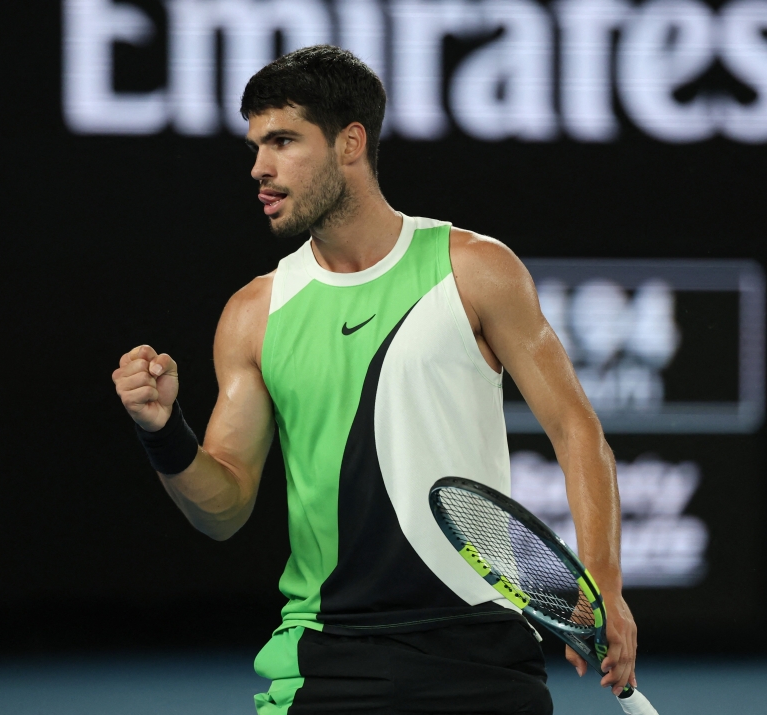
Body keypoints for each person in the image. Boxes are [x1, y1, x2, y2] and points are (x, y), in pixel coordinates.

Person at [112, 45, 636, 714]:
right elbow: (225, 507)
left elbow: (575, 429)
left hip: (479, 649)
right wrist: (164, 433)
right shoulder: (253, 314)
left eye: (283, 141)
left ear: (350, 142)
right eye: (254, 146)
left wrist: (603, 584)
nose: (259, 169)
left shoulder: (474, 269)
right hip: (329, 658)